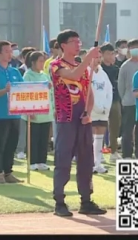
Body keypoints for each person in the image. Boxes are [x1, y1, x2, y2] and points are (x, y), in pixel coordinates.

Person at [50, 29, 105, 217]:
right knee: (63, 159)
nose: (78, 44)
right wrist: (89, 58)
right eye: (74, 41)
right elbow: (73, 76)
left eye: (79, 41)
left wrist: (88, 113)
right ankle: (59, 201)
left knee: (86, 160)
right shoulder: (56, 65)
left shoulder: (82, 67)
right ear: (63, 45)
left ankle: (86, 200)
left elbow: (89, 93)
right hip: (66, 119)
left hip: (83, 120)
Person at [0, 40, 24, 184]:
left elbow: (23, 89)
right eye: (6, 51)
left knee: (12, 144)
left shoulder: (15, 71)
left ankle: (9, 172)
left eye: (11, 51)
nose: (10, 54)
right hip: (0, 114)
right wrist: (6, 90)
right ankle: (0, 172)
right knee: (0, 145)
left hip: (15, 113)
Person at [22, 51, 53, 171]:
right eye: (40, 61)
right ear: (33, 62)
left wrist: (53, 108)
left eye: (43, 61)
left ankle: (42, 161)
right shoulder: (28, 75)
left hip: (45, 112)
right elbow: (25, 93)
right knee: (33, 138)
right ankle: (32, 161)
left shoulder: (45, 75)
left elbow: (51, 93)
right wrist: (29, 111)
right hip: (33, 113)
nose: (42, 63)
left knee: (44, 138)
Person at [117, 39, 138, 160]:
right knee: (127, 130)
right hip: (129, 102)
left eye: (137, 47)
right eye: (132, 47)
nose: (135, 49)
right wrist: (124, 99)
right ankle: (127, 154)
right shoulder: (125, 66)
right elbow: (120, 86)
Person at [90, 54, 113, 174]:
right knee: (90, 138)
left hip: (103, 111)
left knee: (99, 138)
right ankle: (90, 163)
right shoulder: (86, 72)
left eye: (99, 57)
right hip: (91, 111)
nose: (98, 59)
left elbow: (109, 91)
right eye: (96, 57)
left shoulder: (103, 74)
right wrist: (95, 107)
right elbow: (87, 92)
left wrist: (106, 107)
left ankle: (98, 163)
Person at [100, 43, 122, 162]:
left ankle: (114, 151)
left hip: (115, 99)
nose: (111, 56)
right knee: (100, 126)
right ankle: (99, 151)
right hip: (101, 100)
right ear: (102, 55)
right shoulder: (99, 69)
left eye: (112, 53)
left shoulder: (116, 69)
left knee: (115, 125)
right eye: (108, 54)